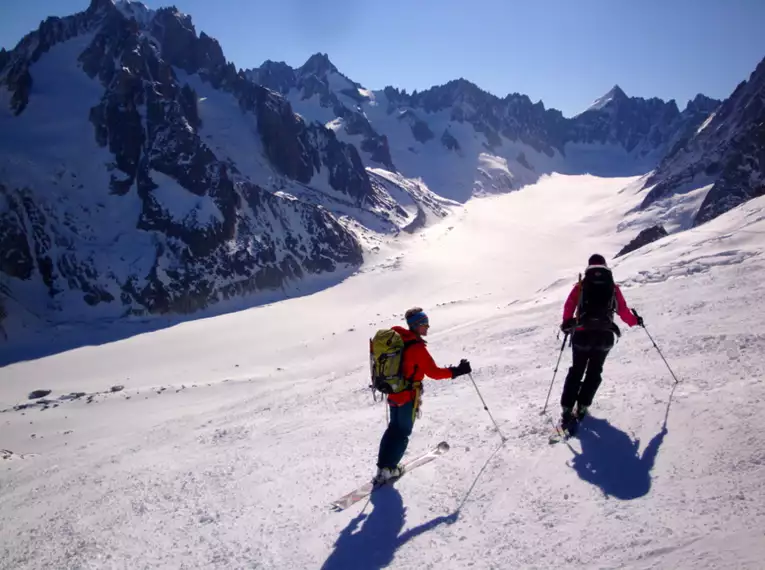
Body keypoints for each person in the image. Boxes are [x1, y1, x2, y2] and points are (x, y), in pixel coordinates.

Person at [374, 307, 471, 484]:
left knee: (393, 430)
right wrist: (457, 371)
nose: (427, 326)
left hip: (393, 393)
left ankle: (383, 467)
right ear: (417, 325)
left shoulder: (398, 339)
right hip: (407, 396)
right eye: (424, 323)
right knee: (402, 433)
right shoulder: (416, 347)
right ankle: (390, 470)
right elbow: (433, 372)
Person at [558, 254, 643, 430]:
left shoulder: (581, 286)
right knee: (594, 371)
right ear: (605, 266)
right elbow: (624, 311)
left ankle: (567, 408)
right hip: (604, 336)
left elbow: (569, 306)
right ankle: (582, 406)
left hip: (582, 334)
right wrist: (636, 321)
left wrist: (567, 323)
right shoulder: (612, 287)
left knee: (576, 371)